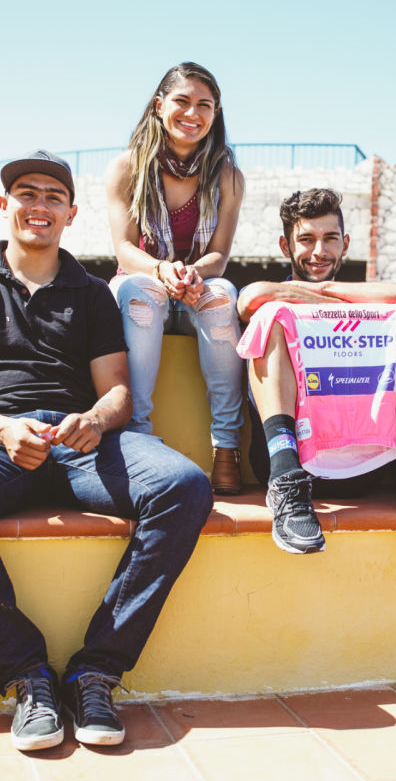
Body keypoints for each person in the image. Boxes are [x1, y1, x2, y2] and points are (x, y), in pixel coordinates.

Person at [0, 150, 212, 751]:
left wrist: (94, 421)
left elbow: (117, 392)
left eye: (53, 196)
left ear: (71, 214)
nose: (39, 205)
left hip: (82, 444)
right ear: (5, 204)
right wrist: (1, 428)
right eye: (27, 193)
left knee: (184, 486)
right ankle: (27, 675)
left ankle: (95, 671)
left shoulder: (92, 293)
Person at [237, 188, 396, 555]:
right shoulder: (274, 296)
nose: (319, 251)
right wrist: (324, 300)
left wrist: (322, 291)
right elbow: (251, 299)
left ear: (345, 244)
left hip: (367, 465)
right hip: (292, 466)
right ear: (284, 246)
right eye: (306, 239)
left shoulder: (345, 291)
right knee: (270, 316)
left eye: (330, 238)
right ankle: (284, 480)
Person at [104, 62, 246, 495]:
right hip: (142, 283)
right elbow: (124, 249)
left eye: (205, 105)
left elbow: (218, 256)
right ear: (159, 105)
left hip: (196, 288)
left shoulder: (228, 176)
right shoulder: (127, 167)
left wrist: (192, 274)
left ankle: (226, 450)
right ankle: (138, 438)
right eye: (182, 101)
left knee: (223, 294)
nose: (193, 113)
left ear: (216, 113)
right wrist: (163, 270)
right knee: (140, 291)